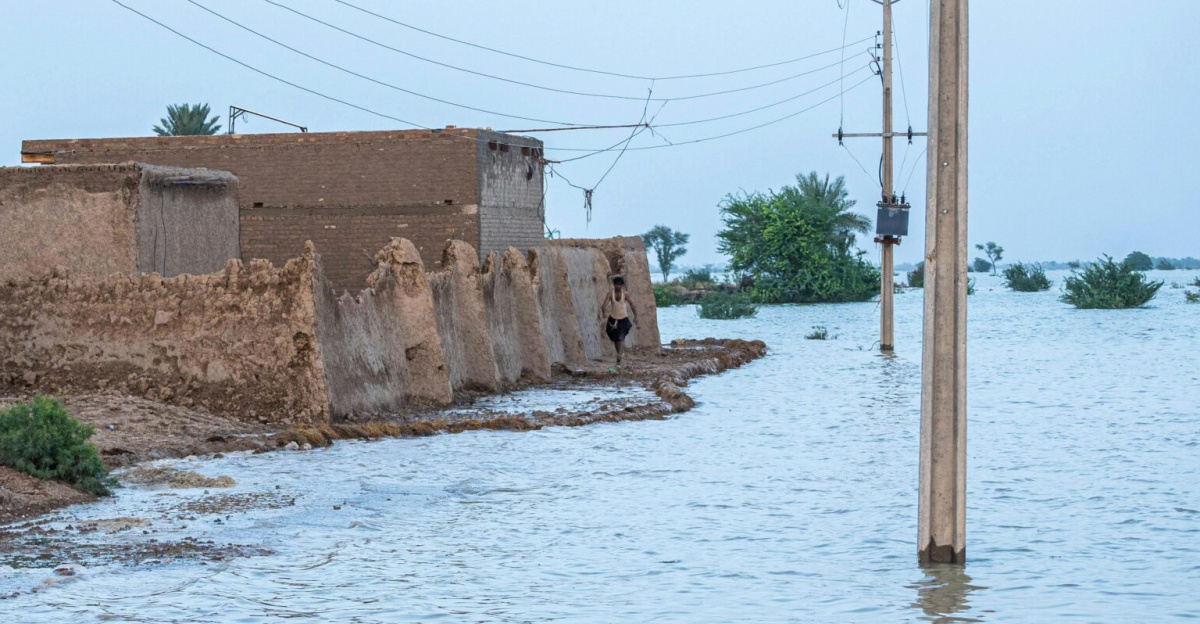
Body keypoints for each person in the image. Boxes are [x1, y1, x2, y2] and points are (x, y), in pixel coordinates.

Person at [599, 276, 638, 364]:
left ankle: (619, 356)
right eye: (616, 285)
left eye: (619, 285)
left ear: (622, 285)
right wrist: (604, 312)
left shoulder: (625, 294)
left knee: (621, 337)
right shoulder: (610, 294)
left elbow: (632, 304)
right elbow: (604, 305)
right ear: (614, 285)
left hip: (623, 318)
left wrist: (636, 316)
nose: (617, 287)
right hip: (613, 318)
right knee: (616, 339)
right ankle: (619, 354)